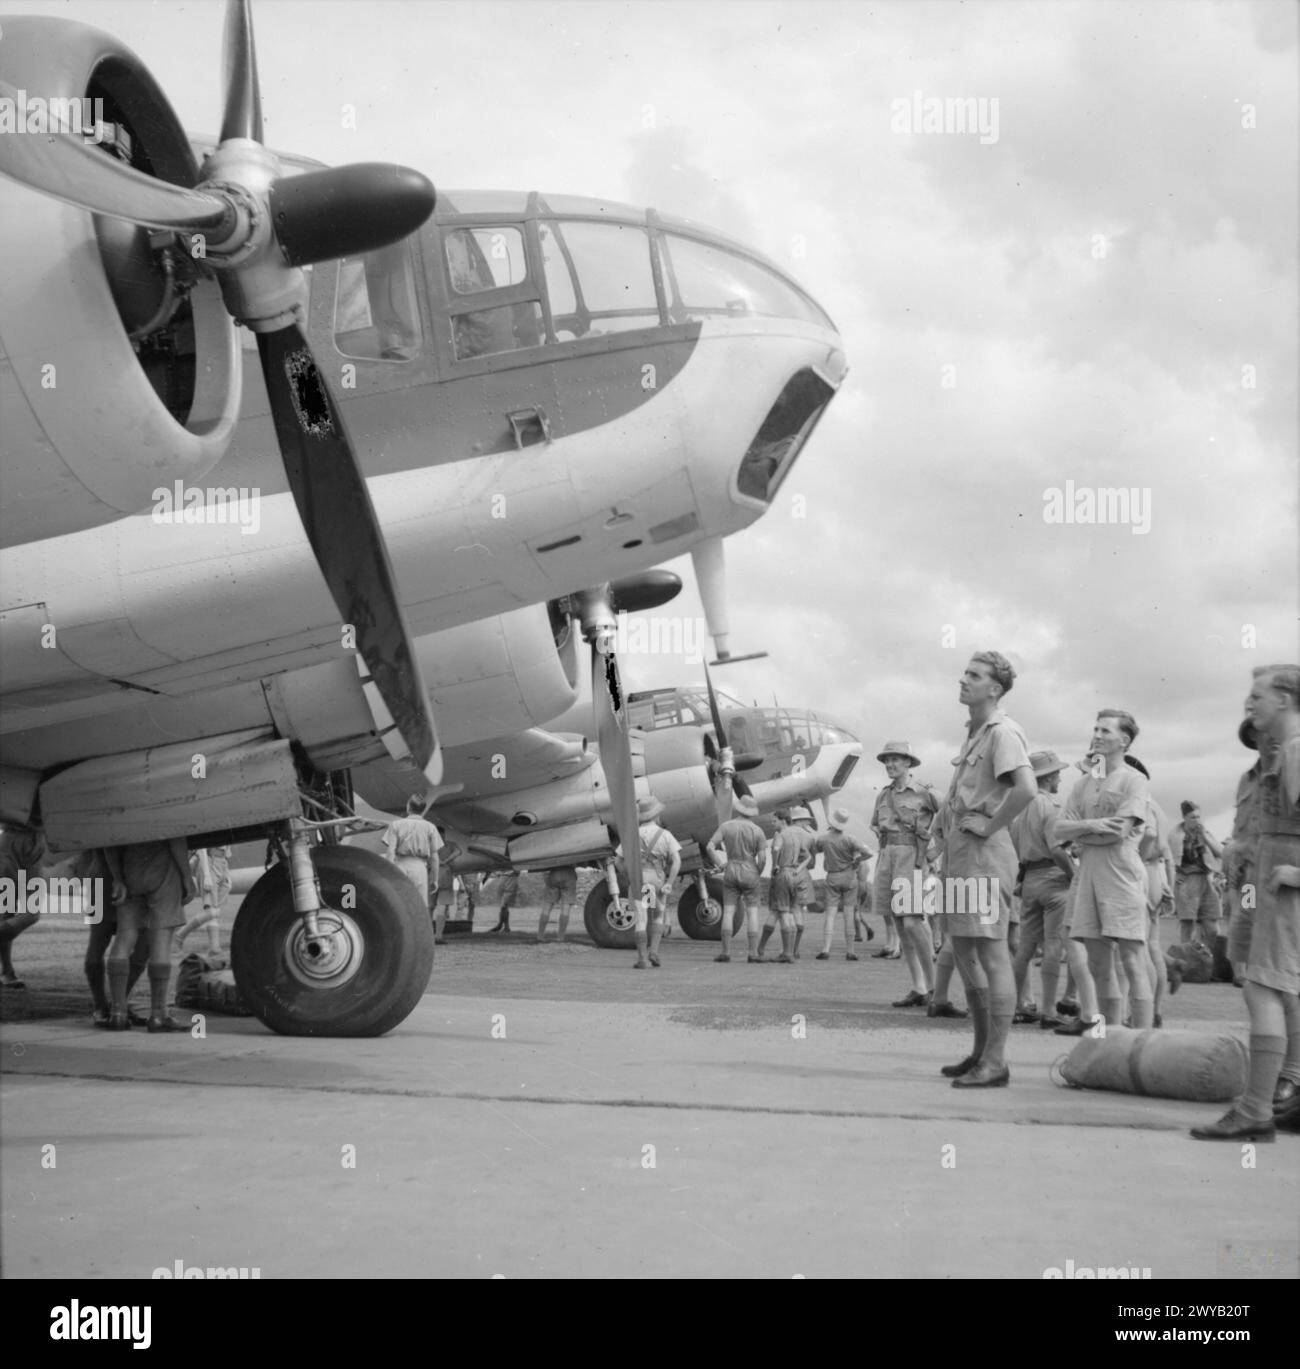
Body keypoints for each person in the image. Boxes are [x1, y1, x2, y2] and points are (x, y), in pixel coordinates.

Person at [1194, 665, 1300, 1140]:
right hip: (1265, 880)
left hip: (1283, 883)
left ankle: (1256, 1109)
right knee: (1270, 985)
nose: (1249, 704)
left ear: (1285, 700)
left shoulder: (1296, 750)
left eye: (1258, 696)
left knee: (1265, 988)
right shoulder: (1280, 758)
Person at [935, 651, 1035, 1088]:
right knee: (963, 949)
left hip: (984, 853)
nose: (964, 680)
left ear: (994, 689)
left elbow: (1026, 789)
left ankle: (996, 1061)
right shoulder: (975, 734)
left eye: (974, 676)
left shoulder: (1003, 732)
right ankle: (979, 1053)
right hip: (962, 852)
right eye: (965, 673)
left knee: (992, 953)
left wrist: (992, 824)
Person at [1054, 710, 1154, 1033]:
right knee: (1098, 965)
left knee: (1132, 961)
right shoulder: (1083, 783)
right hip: (1088, 875)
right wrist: (1091, 825)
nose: (1096, 735)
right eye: (1095, 728)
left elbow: (1118, 832)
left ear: (1123, 741)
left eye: (1105, 731)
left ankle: (1142, 1043)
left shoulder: (1134, 780)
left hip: (1121, 871)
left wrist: (1080, 831)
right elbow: (1058, 829)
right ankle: (1109, 1040)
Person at [102, 838, 199, 1032]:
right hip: (162, 869)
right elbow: (175, 838)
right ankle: (158, 1015)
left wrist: (118, 878)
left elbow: (108, 840)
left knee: (124, 939)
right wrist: (187, 877)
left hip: (129, 869)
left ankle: (117, 1014)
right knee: (161, 942)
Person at [1009, 751, 1076, 1029]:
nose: (1060, 777)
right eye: (1057, 773)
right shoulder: (1052, 806)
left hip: (1030, 878)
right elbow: (1057, 849)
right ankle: (1049, 1009)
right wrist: (1074, 874)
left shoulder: (1020, 808)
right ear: (1047, 777)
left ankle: (1016, 1004)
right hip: (1054, 877)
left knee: (1024, 947)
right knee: (1053, 946)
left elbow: (1016, 845)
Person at [871, 741, 940, 1001]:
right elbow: (876, 825)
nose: (890, 765)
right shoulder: (883, 795)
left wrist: (935, 851)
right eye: (886, 760)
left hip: (911, 857)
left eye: (895, 760)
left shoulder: (925, 792)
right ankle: (919, 988)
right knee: (900, 925)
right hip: (888, 856)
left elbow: (949, 818)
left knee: (913, 921)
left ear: (908, 763)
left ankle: (935, 989)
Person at [80, 849, 150, 1026]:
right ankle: (100, 1005)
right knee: (98, 942)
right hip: (104, 878)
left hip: (135, 879)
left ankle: (118, 1003)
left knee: (144, 945)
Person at [619, 795, 681, 968]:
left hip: (640, 880)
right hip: (658, 879)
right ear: (656, 815)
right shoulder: (665, 835)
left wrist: (628, 875)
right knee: (658, 915)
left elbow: (618, 861)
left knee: (641, 918)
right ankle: (654, 951)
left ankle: (642, 959)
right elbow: (676, 860)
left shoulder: (631, 834)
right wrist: (669, 882)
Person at [706, 793, 768, 963]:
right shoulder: (758, 831)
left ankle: (726, 952)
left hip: (731, 868)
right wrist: (757, 871)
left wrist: (720, 864)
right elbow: (762, 859)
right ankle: (753, 953)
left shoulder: (726, 826)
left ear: (739, 808)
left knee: (728, 912)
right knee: (752, 912)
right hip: (750, 870)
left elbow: (710, 846)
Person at [814, 809, 872, 961]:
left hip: (832, 877)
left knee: (830, 915)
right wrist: (857, 861)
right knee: (848, 915)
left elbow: (816, 849)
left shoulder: (823, 839)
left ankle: (826, 949)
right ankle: (850, 951)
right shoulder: (850, 839)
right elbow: (869, 853)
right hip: (849, 877)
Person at [382, 798, 442, 930]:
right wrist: (435, 879)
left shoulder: (396, 825)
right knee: (419, 906)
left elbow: (391, 851)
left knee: (398, 903)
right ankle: (417, 935)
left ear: (408, 807)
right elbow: (435, 856)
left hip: (400, 865)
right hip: (419, 867)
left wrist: (387, 871)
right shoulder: (430, 827)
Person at [1171, 800, 1223, 946]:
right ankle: (1188, 960)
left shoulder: (1205, 832)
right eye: (1193, 817)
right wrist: (1175, 876)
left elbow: (1220, 852)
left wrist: (1205, 837)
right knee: (1188, 926)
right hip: (1187, 881)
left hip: (1207, 879)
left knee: (1212, 926)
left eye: (1198, 817)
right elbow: (1168, 858)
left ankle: (1210, 958)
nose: (1197, 820)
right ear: (1185, 818)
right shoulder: (1175, 835)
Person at [756, 809, 805, 963]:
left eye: (774, 820)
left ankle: (786, 954)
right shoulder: (797, 835)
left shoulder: (780, 835)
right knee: (783, 912)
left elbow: (776, 849)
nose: (772, 823)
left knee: (781, 913)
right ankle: (765, 949)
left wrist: (775, 865)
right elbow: (807, 855)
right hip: (793, 875)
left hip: (782, 874)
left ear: (783, 820)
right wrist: (798, 869)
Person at [0, 826, 45, 989]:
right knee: (7, 910)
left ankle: (6, 972)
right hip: (13, 837)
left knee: (31, 912)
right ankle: (7, 971)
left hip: (37, 839)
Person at [177, 845, 231, 956]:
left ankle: (214, 948)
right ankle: (180, 936)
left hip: (222, 862)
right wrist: (206, 875)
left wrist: (227, 871)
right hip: (209, 862)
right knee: (212, 911)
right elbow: (202, 848)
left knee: (215, 911)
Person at [538, 866, 578, 945]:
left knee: (547, 905)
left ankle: (540, 936)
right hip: (569, 873)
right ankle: (560, 937)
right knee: (565, 907)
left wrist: (546, 877)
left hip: (554, 873)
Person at [486, 869, 520, 934]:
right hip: (503, 879)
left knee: (504, 905)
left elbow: (517, 869)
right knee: (504, 906)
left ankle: (503, 926)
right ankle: (502, 926)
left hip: (510, 880)